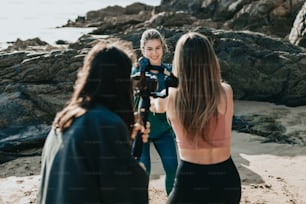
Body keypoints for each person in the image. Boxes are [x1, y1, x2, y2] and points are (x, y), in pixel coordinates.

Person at [37, 41, 150, 204]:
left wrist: (128, 137)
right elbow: (125, 193)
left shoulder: (63, 120)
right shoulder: (106, 124)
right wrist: (140, 171)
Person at [152, 32, 241, 203]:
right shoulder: (226, 91)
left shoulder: (171, 97)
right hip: (226, 180)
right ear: (210, 60)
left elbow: (156, 105)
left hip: (190, 180)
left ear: (180, 62)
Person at [132, 28, 178, 195]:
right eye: (149, 49)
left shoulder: (170, 72)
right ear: (143, 50)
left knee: (173, 168)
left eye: (157, 48)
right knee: (144, 172)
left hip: (163, 130)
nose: (154, 53)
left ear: (163, 48)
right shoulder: (135, 72)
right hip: (141, 129)